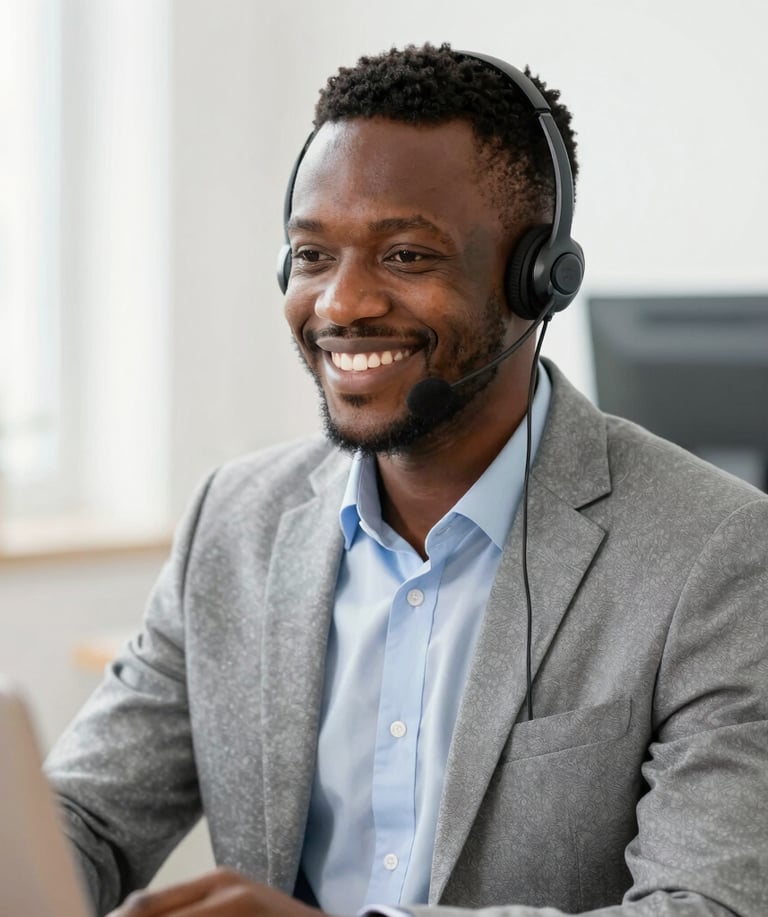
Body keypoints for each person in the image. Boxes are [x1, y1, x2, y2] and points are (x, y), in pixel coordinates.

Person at [46, 43, 768, 917]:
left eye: (406, 257)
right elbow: (82, 817)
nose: (341, 303)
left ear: (535, 279)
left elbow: (709, 906)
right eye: (312, 255)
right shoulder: (235, 519)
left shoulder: (718, 554)